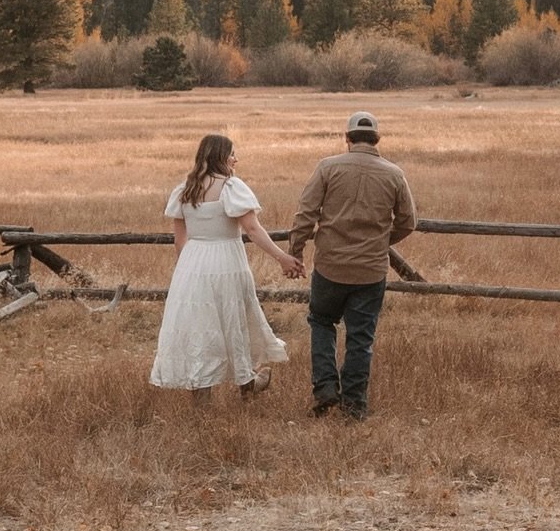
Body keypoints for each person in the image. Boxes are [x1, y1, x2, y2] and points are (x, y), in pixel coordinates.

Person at [150, 133, 305, 396]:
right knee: (234, 320)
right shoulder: (231, 187)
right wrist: (283, 258)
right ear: (221, 156)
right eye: (232, 153)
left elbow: (180, 240)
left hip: (192, 263)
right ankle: (247, 383)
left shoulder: (185, 189)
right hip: (226, 261)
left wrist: (186, 272)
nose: (236, 159)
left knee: (201, 325)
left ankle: (204, 393)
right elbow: (253, 230)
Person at [288, 110, 416, 420]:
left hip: (331, 265)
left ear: (347, 138)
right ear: (377, 139)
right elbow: (408, 222)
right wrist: (381, 241)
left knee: (321, 322)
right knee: (361, 337)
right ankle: (355, 405)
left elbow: (306, 214)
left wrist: (296, 249)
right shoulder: (394, 174)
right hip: (370, 271)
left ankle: (326, 388)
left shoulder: (327, 168)